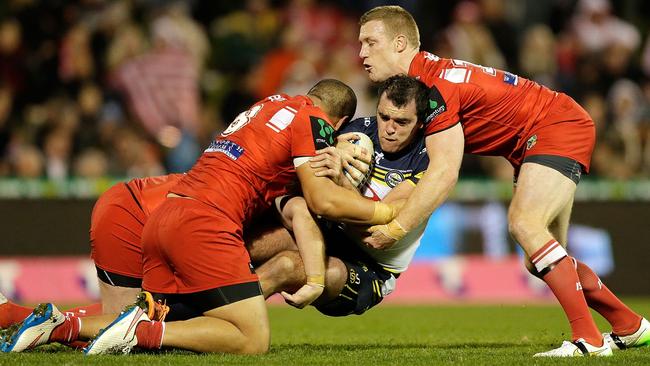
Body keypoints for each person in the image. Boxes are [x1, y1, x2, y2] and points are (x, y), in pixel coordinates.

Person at [1, 79, 400, 355]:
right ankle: (140, 333)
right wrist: (388, 211)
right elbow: (319, 203)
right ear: (337, 125)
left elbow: (299, 209)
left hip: (156, 204)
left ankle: (40, 320)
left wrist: (312, 276)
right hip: (187, 218)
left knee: (130, 320)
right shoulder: (310, 123)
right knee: (248, 338)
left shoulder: (267, 107)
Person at [357, 5, 649, 357]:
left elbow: (445, 173)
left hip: (555, 127)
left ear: (400, 42)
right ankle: (629, 325)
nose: (362, 54)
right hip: (541, 134)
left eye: (370, 43)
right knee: (539, 255)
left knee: (524, 224)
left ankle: (588, 340)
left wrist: (397, 228)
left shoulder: (434, 88)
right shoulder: (428, 79)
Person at [255, 74, 430, 316]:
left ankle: (222, 315)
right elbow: (299, 180)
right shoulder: (357, 130)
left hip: (370, 265)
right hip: (325, 233)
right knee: (250, 243)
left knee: (285, 266)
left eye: (401, 122)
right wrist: (331, 146)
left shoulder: (428, 160)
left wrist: (341, 181)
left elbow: (374, 230)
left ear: (420, 122)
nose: (389, 129)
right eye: (384, 117)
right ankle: (195, 303)